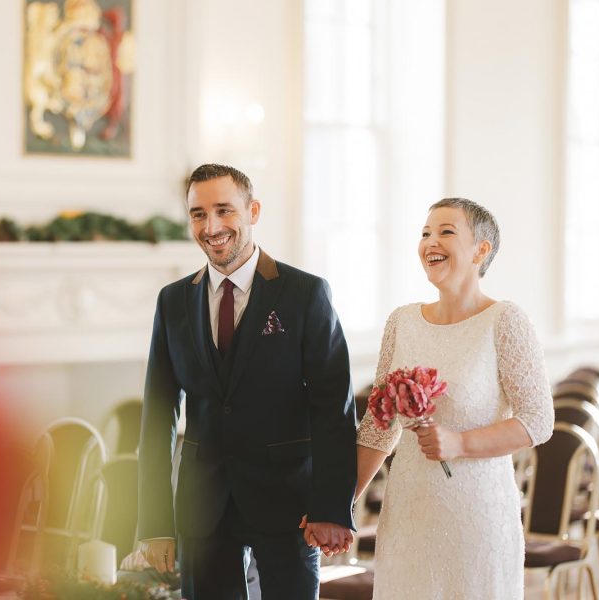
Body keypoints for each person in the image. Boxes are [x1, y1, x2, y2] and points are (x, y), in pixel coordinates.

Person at [137, 164, 357, 599]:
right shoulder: (173, 301)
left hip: (289, 501)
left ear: (253, 210)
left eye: (224, 210)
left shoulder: (305, 294)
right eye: (198, 214)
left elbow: (334, 408)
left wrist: (331, 507)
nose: (211, 226)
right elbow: (157, 415)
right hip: (202, 507)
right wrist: (156, 524)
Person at [355, 198, 554, 599]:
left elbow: (538, 420)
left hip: (477, 517)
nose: (431, 241)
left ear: (482, 250)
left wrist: (460, 443)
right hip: (409, 515)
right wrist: (339, 505)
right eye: (425, 232)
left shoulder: (504, 320)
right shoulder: (402, 322)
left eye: (447, 231)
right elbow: (379, 427)